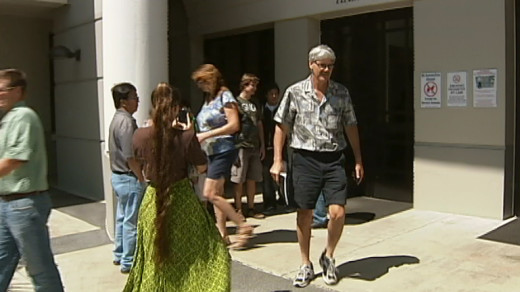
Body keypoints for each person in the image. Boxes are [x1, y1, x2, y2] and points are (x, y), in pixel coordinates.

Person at [270, 45, 364, 287]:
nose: (326, 69)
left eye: (330, 65)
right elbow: (281, 126)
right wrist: (277, 160)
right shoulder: (295, 92)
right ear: (311, 64)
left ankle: (328, 256)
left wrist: (358, 159)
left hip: (334, 159)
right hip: (304, 159)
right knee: (305, 214)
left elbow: (351, 126)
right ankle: (305, 263)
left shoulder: (341, 93)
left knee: (338, 212)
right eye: (321, 64)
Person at [124, 82, 230, 292]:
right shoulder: (186, 137)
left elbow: (136, 160)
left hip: (152, 201)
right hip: (183, 203)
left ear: (154, 105)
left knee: (155, 263)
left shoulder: (139, 135)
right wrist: (189, 135)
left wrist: (143, 177)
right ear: (175, 108)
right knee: (202, 256)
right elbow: (201, 167)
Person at [0, 69, 64, 291]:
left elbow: (15, 159)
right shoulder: (9, 119)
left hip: (23, 205)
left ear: (18, 91)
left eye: (2, 90)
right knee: (2, 263)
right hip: (8, 203)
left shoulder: (23, 117)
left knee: (39, 268)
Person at [192, 64, 254, 249]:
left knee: (209, 193)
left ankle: (243, 225)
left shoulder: (225, 96)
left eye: (202, 82)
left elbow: (234, 125)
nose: (200, 86)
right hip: (212, 151)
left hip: (223, 149)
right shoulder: (209, 99)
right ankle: (222, 234)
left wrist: (206, 135)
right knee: (217, 194)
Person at [108, 82, 146, 273]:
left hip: (118, 176)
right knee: (131, 221)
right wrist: (141, 177)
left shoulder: (117, 119)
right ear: (123, 101)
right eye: (134, 98)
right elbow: (130, 155)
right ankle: (128, 261)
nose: (137, 101)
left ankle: (119, 254)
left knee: (122, 217)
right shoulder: (126, 122)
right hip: (128, 176)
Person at [231, 73, 265, 219]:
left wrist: (263, 144)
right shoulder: (235, 103)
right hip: (240, 145)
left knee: (253, 178)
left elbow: (259, 123)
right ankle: (238, 209)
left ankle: (251, 207)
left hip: (254, 145)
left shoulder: (255, 103)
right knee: (239, 178)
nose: (255, 88)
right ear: (245, 85)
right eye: (252, 85)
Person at [261, 83, 284, 215]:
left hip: (281, 146)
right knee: (267, 175)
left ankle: (284, 198)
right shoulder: (262, 110)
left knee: (283, 175)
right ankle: (269, 202)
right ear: (267, 95)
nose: (274, 96)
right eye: (271, 94)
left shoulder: (281, 109)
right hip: (266, 146)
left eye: (276, 94)